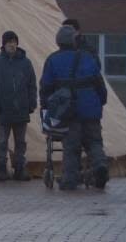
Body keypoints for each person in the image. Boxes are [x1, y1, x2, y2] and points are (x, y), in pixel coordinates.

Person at [40, 26, 109, 190]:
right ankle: (100, 166)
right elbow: (100, 85)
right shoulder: (88, 57)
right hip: (92, 109)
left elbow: (46, 87)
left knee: (71, 147)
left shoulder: (53, 60)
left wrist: (47, 106)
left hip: (69, 112)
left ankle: (70, 180)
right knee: (94, 142)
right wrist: (100, 102)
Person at [0, 31, 37, 182]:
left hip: (21, 109)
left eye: (14, 41)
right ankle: (1, 169)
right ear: (4, 44)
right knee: (2, 141)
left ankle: (19, 169)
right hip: (4, 109)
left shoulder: (26, 63)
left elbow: (31, 85)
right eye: (9, 42)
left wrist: (31, 103)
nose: (12, 44)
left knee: (20, 142)